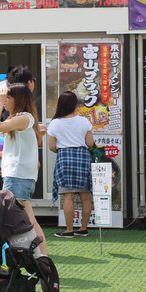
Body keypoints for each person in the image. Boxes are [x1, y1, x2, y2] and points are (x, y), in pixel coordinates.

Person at [0, 82, 47, 255]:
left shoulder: (23, 117)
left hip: (17, 177)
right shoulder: (22, 117)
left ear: (18, 99)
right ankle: (42, 260)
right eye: (4, 98)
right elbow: (20, 146)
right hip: (19, 177)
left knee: (19, 221)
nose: (4, 101)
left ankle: (40, 259)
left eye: (8, 98)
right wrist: (0, 154)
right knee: (29, 221)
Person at [47, 91, 94, 238]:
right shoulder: (84, 121)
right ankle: (83, 228)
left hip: (64, 157)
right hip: (82, 157)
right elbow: (90, 143)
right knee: (85, 195)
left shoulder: (55, 123)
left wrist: (63, 148)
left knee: (68, 196)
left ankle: (68, 230)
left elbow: (51, 146)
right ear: (75, 104)